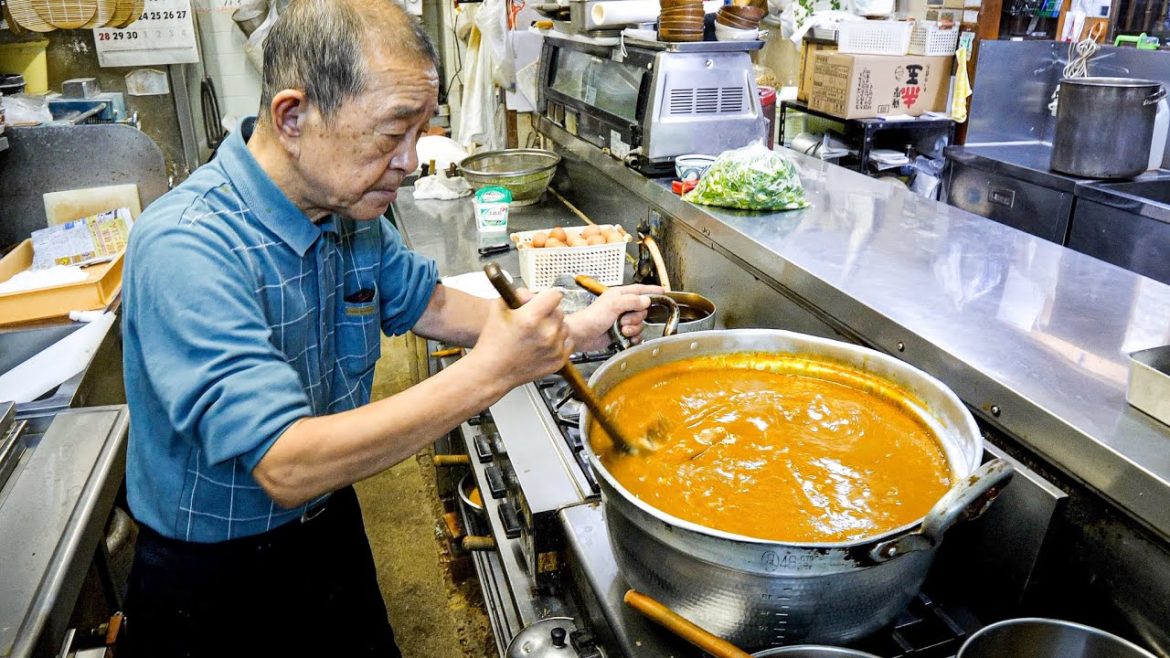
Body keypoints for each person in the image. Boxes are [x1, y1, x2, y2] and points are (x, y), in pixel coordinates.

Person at [117, 1, 660, 656]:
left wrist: (575, 329)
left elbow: (429, 304)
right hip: (213, 580)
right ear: (293, 116)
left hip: (329, 527)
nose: (409, 161)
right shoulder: (188, 246)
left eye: (420, 133)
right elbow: (285, 464)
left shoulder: (348, 208)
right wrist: (493, 371)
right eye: (390, 134)